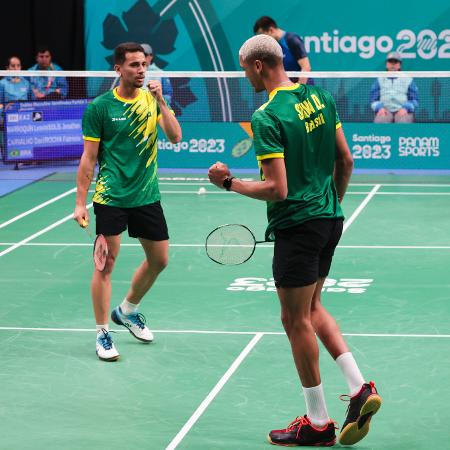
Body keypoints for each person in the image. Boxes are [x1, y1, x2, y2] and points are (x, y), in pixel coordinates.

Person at [208, 34, 381, 447]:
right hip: (329, 217)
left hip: (298, 226)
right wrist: (331, 206)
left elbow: (277, 189)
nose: (243, 75)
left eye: (243, 68)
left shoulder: (268, 116)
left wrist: (229, 182)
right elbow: (347, 160)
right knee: (315, 307)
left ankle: (318, 423)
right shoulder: (320, 97)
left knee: (294, 320)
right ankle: (360, 388)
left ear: (257, 66)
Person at [73, 42, 182, 362]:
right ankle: (102, 332)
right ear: (118, 69)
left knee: (160, 260)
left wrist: (161, 100)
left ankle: (128, 309)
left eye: (144, 64)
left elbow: (175, 136)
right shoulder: (101, 108)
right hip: (111, 196)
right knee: (105, 265)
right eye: (134, 65)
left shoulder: (152, 100)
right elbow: (88, 159)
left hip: (146, 194)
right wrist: (80, 203)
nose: (141, 70)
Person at [253, 16, 311, 84]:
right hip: (289, 89)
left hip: (304, 90)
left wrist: (298, 90)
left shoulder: (291, 40)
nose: (262, 40)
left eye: (263, 36)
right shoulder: (273, 46)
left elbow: (306, 67)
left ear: (271, 30)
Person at [370, 51, 419, 123]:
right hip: (385, 110)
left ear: (400, 65)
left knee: (403, 122)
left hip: (403, 110)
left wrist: (406, 108)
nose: (393, 64)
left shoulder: (408, 79)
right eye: (390, 62)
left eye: (395, 62)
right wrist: (380, 108)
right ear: (386, 64)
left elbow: (415, 100)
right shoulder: (379, 79)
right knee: (380, 122)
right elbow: (373, 100)